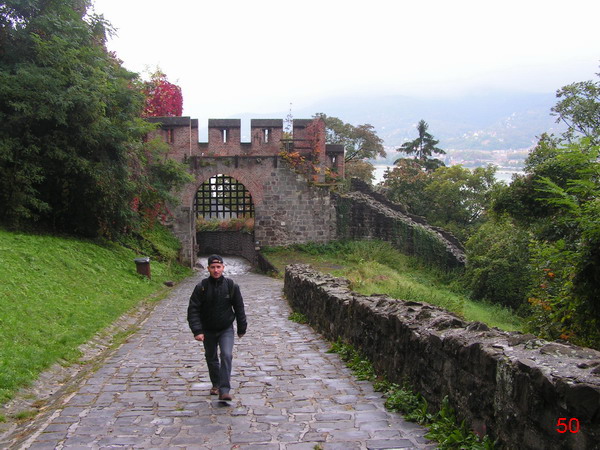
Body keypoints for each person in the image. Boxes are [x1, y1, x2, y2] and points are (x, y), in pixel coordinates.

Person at [187, 254, 247, 401]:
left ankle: (224, 390)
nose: (216, 270)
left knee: (226, 355)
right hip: (208, 329)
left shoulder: (231, 286)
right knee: (211, 357)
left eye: (218, 267)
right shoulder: (201, 287)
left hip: (225, 328)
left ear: (223, 267)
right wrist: (197, 331)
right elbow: (193, 310)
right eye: (213, 267)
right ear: (208, 268)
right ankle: (216, 383)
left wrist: (241, 328)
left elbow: (239, 308)